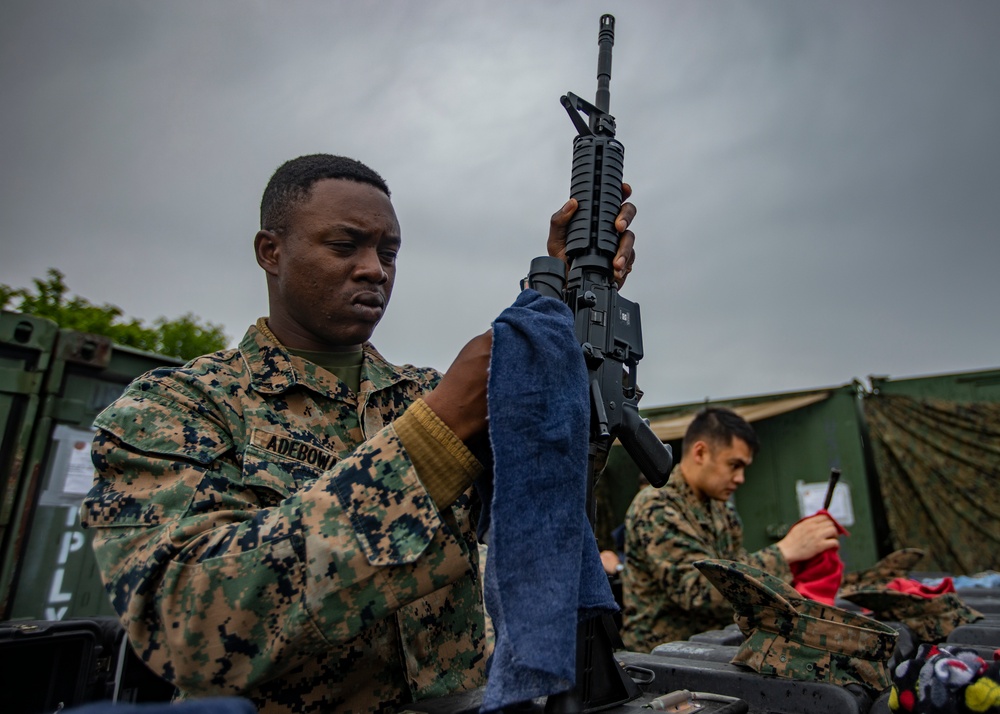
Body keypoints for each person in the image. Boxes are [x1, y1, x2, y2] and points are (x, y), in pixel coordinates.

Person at [80, 153, 638, 713]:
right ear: (270, 252)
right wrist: (432, 441)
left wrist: (569, 295)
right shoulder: (179, 407)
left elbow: (551, 506)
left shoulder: (423, 392)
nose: (375, 269)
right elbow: (189, 629)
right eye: (345, 246)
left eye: (388, 252)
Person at [621, 407, 840, 652]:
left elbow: (739, 568)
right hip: (662, 657)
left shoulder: (723, 512)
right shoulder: (657, 506)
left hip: (715, 646)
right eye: (734, 465)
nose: (740, 478)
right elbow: (696, 593)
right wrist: (785, 552)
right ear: (701, 453)